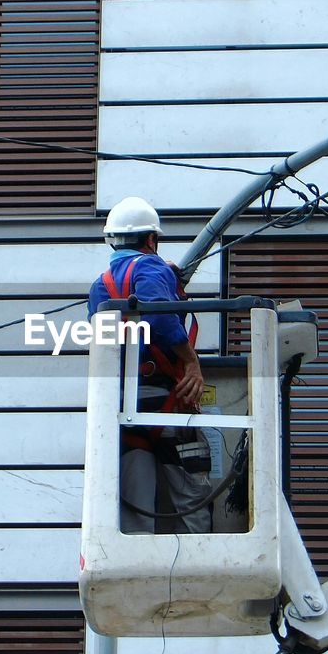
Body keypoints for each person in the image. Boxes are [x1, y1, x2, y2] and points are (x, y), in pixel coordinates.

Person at [88, 197, 211, 533]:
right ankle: (202, 568)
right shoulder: (152, 268)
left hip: (127, 409)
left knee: (136, 511)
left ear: (112, 240)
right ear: (151, 239)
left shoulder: (101, 286)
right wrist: (191, 363)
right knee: (193, 500)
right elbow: (158, 312)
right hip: (168, 404)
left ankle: (136, 575)